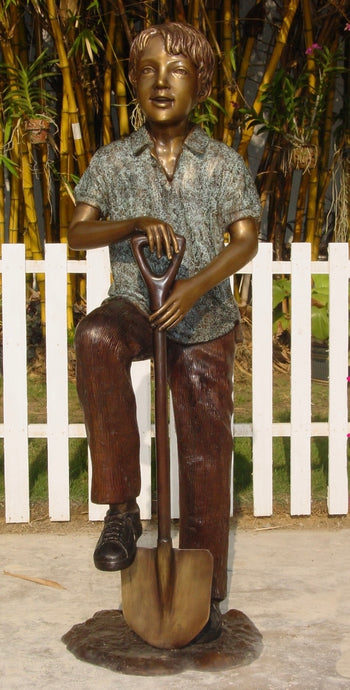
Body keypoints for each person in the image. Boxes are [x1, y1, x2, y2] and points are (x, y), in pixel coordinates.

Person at [68, 22, 261, 644]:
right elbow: (77, 232)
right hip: (134, 302)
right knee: (96, 338)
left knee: (204, 452)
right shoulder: (111, 160)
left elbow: (246, 240)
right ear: (133, 79)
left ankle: (207, 596)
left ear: (199, 83)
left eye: (176, 70)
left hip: (203, 318)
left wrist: (195, 287)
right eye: (149, 68)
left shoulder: (223, 163)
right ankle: (122, 510)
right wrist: (132, 224)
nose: (161, 81)